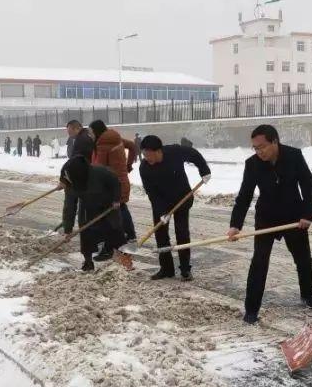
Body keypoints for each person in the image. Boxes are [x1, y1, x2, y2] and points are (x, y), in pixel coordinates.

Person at [228, 124, 312, 325]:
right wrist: (235, 224)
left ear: (275, 141)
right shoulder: (252, 164)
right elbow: (244, 196)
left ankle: (307, 293)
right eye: (255, 148)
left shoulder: (294, 156)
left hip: (294, 217)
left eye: (262, 147)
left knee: (303, 258)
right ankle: (251, 308)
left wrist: (307, 214)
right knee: (259, 261)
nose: (259, 152)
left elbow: (308, 185)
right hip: (266, 217)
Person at [139, 136, 211, 281]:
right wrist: (161, 212)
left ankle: (185, 269)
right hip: (161, 202)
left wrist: (204, 170)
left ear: (158, 151)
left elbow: (194, 154)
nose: (146, 158)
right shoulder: (144, 168)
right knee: (160, 233)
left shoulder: (174, 152)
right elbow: (152, 193)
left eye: (148, 155)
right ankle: (166, 269)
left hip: (182, 198)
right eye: (144, 155)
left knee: (182, 232)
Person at [60, 156, 125, 272]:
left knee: (114, 230)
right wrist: (68, 229)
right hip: (87, 206)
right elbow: (69, 206)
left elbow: (116, 183)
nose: (68, 179)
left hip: (107, 205)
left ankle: (123, 260)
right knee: (85, 232)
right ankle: (88, 262)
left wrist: (116, 199)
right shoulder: (70, 181)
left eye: (69, 176)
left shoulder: (100, 172)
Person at [89, 120, 138, 248]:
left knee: (118, 209)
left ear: (97, 131)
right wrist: (128, 164)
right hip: (121, 180)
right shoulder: (116, 139)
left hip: (112, 184)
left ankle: (125, 236)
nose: (90, 135)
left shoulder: (103, 145)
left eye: (91, 132)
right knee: (121, 207)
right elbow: (132, 145)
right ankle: (129, 235)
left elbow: (98, 168)